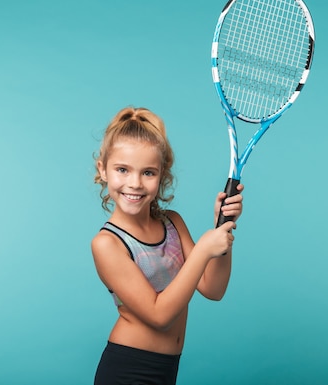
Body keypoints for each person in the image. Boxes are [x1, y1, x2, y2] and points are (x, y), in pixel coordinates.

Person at [91, 106, 244, 385]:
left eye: (148, 172)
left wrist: (222, 230)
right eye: (122, 170)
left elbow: (213, 288)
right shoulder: (107, 244)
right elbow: (159, 315)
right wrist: (203, 250)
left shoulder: (172, 222)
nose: (134, 183)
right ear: (103, 169)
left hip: (167, 369)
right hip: (128, 370)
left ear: (162, 174)